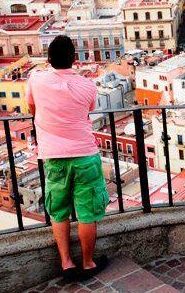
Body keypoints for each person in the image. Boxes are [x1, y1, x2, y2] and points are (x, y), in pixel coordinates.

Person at [27, 35, 109, 281]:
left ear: (48, 58)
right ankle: (87, 262)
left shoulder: (36, 80)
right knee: (87, 212)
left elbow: (33, 109)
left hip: (53, 155)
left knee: (59, 211)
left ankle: (66, 263)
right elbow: (87, 110)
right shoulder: (88, 86)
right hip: (84, 154)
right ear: (74, 59)